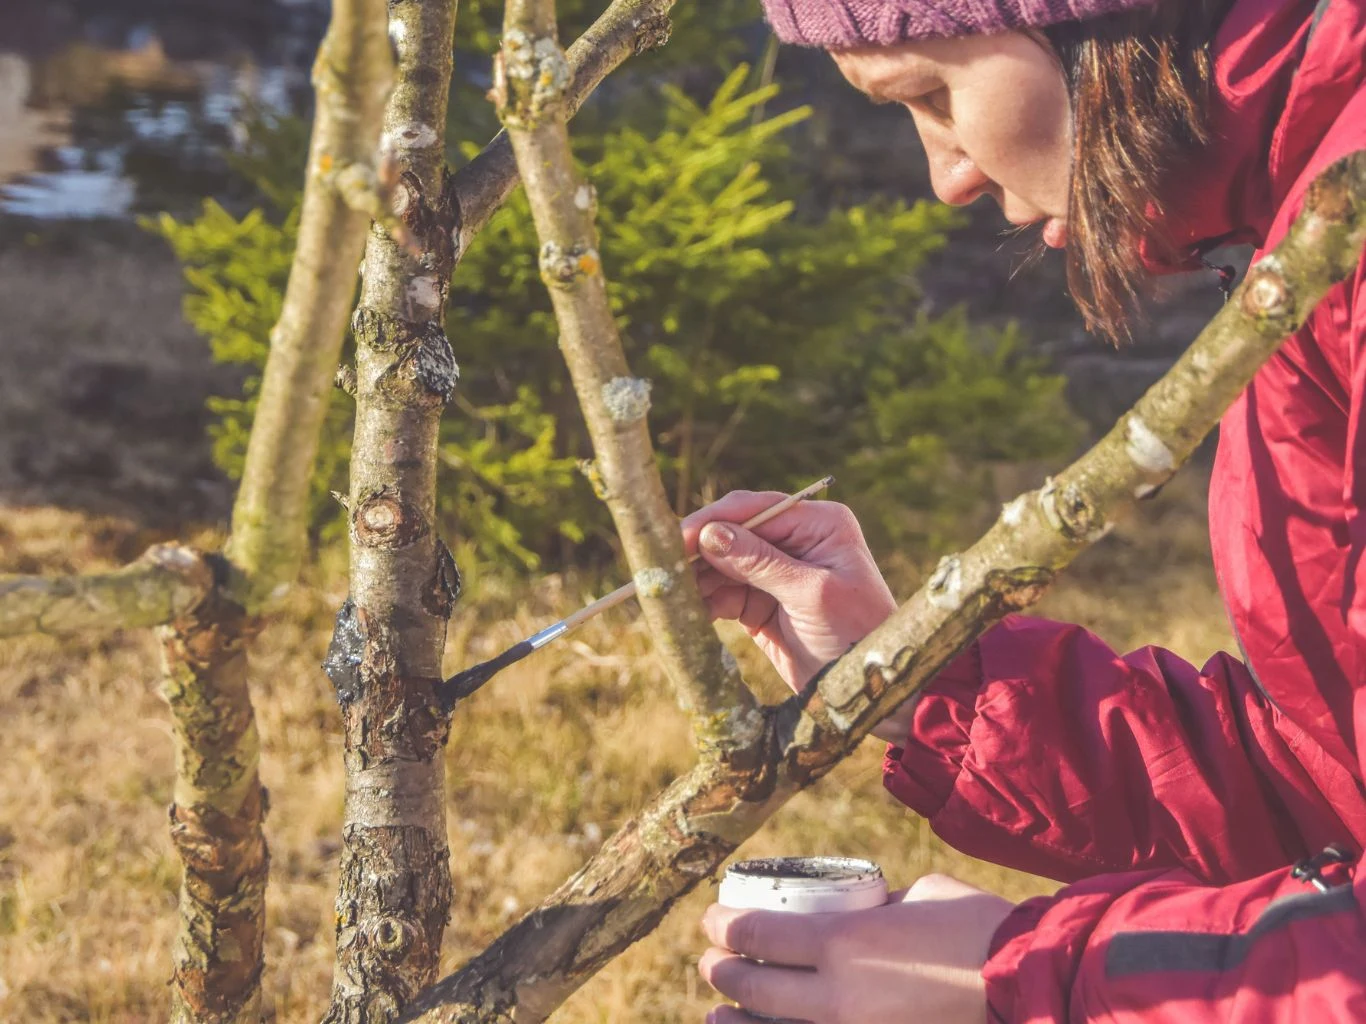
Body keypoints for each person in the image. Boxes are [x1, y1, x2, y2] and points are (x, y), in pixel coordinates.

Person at [681, 0, 1366, 1021]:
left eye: (930, 93)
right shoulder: (1307, 236)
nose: (948, 175)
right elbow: (1327, 784)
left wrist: (1036, 979)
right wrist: (913, 676)